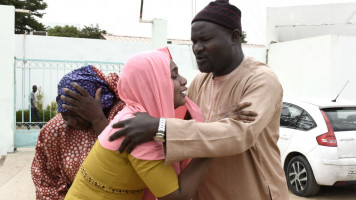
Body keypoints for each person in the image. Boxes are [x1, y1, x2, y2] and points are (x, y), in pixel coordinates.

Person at [108, 0, 289, 199]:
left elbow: (239, 135)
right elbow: (184, 125)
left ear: (234, 37)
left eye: (205, 39)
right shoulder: (200, 81)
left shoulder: (260, 80)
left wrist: (160, 127)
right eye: (194, 41)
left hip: (253, 192)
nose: (197, 48)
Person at [31, 65, 125, 200]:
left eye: (76, 115)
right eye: (65, 114)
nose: (71, 122)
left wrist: (97, 119)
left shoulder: (119, 117)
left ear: (101, 105)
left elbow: (124, 163)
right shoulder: (55, 130)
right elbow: (44, 179)